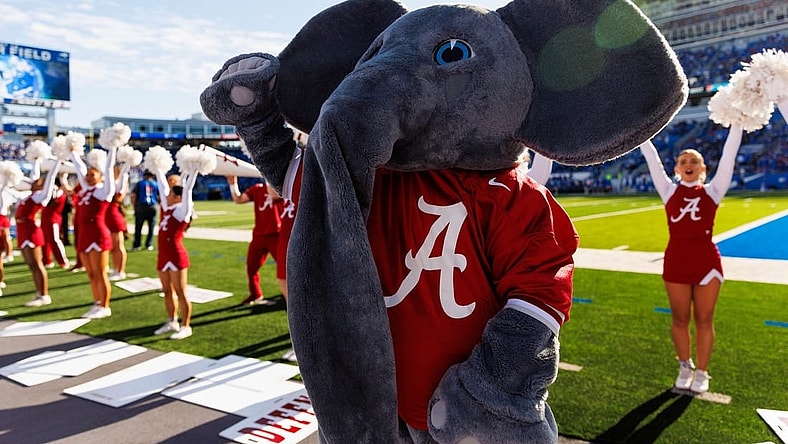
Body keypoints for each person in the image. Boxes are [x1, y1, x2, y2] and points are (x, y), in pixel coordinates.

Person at [639, 123, 744, 394]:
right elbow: (651, 157)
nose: (688, 164)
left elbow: (729, 155)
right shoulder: (668, 190)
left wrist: (738, 123)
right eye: (683, 161)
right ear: (676, 169)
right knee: (679, 319)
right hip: (676, 261)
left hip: (707, 263)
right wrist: (638, 132)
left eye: (694, 161)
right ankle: (685, 365)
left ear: (703, 169)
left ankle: (702, 371)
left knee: (705, 320)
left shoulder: (713, 190)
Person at [71, 143, 118, 319]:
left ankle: (105, 305)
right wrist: (73, 153)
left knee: (100, 272)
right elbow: (78, 167)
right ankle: (97, 302)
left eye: (93, 175)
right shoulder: (85, 191)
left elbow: (108, 169)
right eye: (88, 175)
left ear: (100, 177)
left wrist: (112, 148)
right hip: (84, 234)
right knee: (90, 273)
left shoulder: (103, 191)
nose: (89, 177)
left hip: (98, 234)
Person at [152, 168, 197, 340]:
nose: (166, 196)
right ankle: (172, 321)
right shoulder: (168, 210)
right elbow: (162, 187)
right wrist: (158, 168)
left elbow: (188, 191)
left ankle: (186, 325)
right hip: (163, 255)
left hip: (176, 256)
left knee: (180, 291)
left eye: (171, 194)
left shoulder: (181, 211)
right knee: (167, 290)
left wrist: (193, 171)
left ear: (178, 197)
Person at [226, 175, 284, 305]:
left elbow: (274, 194)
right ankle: (255, 293)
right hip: (259, 235)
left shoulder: (279, 186)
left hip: (277, 234)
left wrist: (270, 175)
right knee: (251, 267)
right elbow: (238, 200)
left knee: (285, 269)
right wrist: (232, 184)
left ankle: (291, 295)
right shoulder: (257, 189)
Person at [15, 157, 63, 306]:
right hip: (22, 230)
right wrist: (36, 160)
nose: (34, 181)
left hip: (31, 231)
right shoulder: (29, 196)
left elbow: (49, 178)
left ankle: (44, 295)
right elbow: (34, 175)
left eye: (38, 181)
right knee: (30, 265)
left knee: (37, 263)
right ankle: (38, 293)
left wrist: (57, 162)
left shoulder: (41, 197)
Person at [41, 173, 72, 270]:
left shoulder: (58, 192)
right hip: (46, 218)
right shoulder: (54, 191)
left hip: (53, 219)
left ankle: (63, 261)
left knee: (55, 240)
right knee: (45, 241)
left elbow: (51, 199)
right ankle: (46, 260)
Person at [107, 165, 130, 280]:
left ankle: (120, 270)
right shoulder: (107, 182)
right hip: (105, 217)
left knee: (118, 246)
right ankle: (115, 268)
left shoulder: (118, 184)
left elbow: (120, 195)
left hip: (114, 216)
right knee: (111, 247)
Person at [130, 170, 159, 251]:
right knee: (151, 227)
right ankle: (148, 244)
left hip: (141, 206)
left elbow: (134, 195)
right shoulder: (155, 183)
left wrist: (134, 206)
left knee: (138, 227)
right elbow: (159, 196)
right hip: (153, 206)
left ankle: (137, 245)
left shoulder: (140, 183)